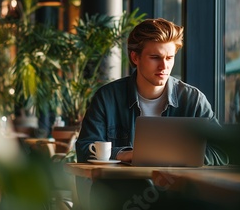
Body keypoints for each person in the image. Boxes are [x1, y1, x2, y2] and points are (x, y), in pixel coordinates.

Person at [75, 18, 229, 166]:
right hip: (121, 188)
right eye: (155, 57)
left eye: (169, 58)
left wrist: (170, 155)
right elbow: (84, 149)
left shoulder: (193, 99)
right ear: (135, 57)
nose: (164, 66)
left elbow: (222, 152)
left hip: (175, 190)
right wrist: (124, 154)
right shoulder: (107, 97)